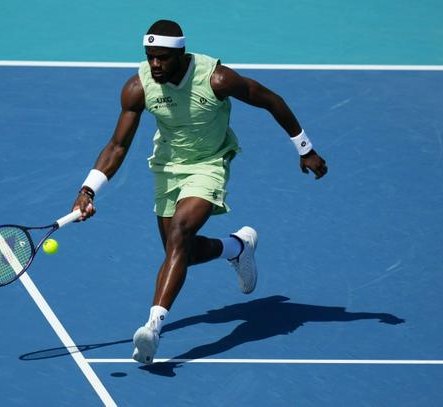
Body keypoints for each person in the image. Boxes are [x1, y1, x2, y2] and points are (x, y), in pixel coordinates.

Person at [71, 20, 328, 364]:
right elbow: (118, 146)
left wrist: (305, 149)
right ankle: (237, 247)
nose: (155, 64)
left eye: (162, 57)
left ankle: (152, 328)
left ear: (181, 54)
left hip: (209, 163)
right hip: (167, 166)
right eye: (150, 56)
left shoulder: (217, 79)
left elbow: (271, 100)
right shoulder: (138, 87)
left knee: (180, 233)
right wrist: (88, 189)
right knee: (180, 252)